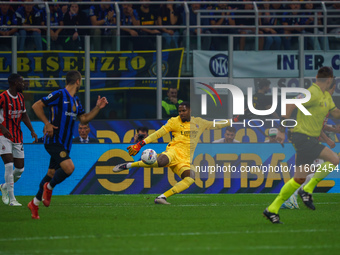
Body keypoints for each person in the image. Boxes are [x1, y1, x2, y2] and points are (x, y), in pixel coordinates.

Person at [263, 66, 340, 224]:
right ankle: (307, 190)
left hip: (310, 139)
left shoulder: (326, 96)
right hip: (303, 138)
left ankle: (272, 209)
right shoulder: (312, 92)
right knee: (334, 159)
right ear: (331, 80)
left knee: (298, 178)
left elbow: (335, 113)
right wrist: (281, 130)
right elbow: (289, 105)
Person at [27, 71, 108, 219]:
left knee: (51, 174)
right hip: (54, 140)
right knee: (69, 168)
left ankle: (34, 203)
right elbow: (36, 106)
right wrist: (47, 123)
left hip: (65, 143)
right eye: (81, 80)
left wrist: (97, 107)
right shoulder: (59, 94)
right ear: (77, 81)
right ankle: (49, 187)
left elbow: (83, 119)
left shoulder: (76, 101)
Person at [113, 102, 230, 204]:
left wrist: (233, 120)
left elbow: (217, 124)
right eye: (179, 111)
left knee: (190, 178)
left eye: (184, 110)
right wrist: (140, 144)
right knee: (161, 162)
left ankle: (162, 197)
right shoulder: (174, 121)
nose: (181, 113)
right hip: (173, 151)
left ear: (190, 110)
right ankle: (128, 165)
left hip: (185, 160)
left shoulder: (200, 122)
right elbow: (158, 134)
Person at [0, 74, 38, 206]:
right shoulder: (2, 97)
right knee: (9, 165)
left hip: (17, 136)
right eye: (22, 82)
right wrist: (2, 128)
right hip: (2, 135)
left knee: (19, 169)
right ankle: (12, 199)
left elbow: (24, 115)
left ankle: (4, 187)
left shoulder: (21, 97)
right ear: (15, 83)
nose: (24, 84)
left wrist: (32, 130)